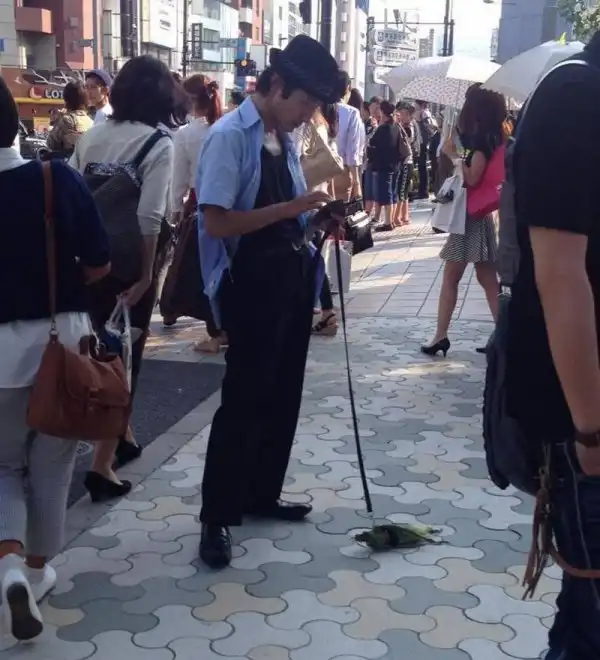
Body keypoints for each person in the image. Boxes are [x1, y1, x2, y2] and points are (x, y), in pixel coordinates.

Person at [196, 35, 343, 569]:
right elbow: (216, 222)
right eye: (304, 102)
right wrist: (289, 209)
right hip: (251, 285)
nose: (307, 114)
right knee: (243, 400)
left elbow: (291, 216)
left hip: (292, 278)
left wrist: (317, 218)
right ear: (276, 85)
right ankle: (217, 516)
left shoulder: (285, 135)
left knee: (283, 393)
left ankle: (261, 492)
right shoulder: (230, 136)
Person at [0, 77, 110, 640]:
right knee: (52, 464)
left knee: (1, 466)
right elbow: (98, 263)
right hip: (59, 343)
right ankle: (38, 571)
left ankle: (8, 565)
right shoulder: (54, 179)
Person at [506, 31, 600, 659]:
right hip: (584, 421)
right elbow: (560, 275)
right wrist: (592, 434)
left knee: (584, 616)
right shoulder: (577, 95)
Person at [70, 55, 176, 502]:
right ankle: (101, 466)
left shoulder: (92, 136)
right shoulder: (158, 143)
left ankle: (123, 435)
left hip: (87, 260)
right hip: (130, 266)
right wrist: (147, 275)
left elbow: (71, 194)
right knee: (123, 357)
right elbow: (151, 215)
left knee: (98, 348)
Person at [421, 88, 506, 356]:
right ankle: (505, 335)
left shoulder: (481, 146)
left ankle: (440, 336)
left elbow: (471, 178)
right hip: (479, 215)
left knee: (452, 277)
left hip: (468, 219)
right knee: (487, 277)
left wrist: (455, 156)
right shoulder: (494, 138)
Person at [162, 75, 226, 352]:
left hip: (200, 205)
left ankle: (215, 331)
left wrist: (175, 210)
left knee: (203, 268)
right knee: (225, 266)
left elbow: (178, 180)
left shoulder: (186, 135)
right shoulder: (227, 127)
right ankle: (226, 327)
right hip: (233, 206)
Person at [295, 102, 341, 337]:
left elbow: (295, 160)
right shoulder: (321, 124)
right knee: (312, 254)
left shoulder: (303, 126)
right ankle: (324, 310)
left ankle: (325, 311)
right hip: (318, 196)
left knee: (307, 254)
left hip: (304, 198)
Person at [367, 100, 408, 232]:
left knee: (386, 194)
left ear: (383, 111)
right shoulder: (395, 126)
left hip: (384, 166)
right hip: (395, 165)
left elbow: (372, 144)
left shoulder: (383, 129)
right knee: (393, 192)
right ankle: (392, 220)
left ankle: (388, 222)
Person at [334, 71, 365, 201]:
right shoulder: (351, 112)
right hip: (342, 169)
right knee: (341, 210)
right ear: (347, 88)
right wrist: (357, 182)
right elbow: (352, 149)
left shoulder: (318, 108)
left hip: (319, 171)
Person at [46, 81, 93, 153]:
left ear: (66, 101)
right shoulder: (91, 121)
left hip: (70, 159)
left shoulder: (66, 120)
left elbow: (51, 143)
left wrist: (57, 121)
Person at [395, 102, 418, 226]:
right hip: (406, 162)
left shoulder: (408, 128)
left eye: (404, 114)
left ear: (409, 116)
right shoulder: (405, 126)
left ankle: (397, 217)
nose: (401, 116)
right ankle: (404, 216)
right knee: (404, 190)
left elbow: (406, 141)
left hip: (406, 162)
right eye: (399, 113)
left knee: (401, 191)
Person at [415, 99, 437, 199]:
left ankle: (423, 191)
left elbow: (430, 128)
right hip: (423, 142)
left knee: (422, 166)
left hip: (424, 143)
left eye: (416, 104)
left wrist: (420, 121)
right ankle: (423, 190)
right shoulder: (425, 113)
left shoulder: (423, 113)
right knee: (422, 166)